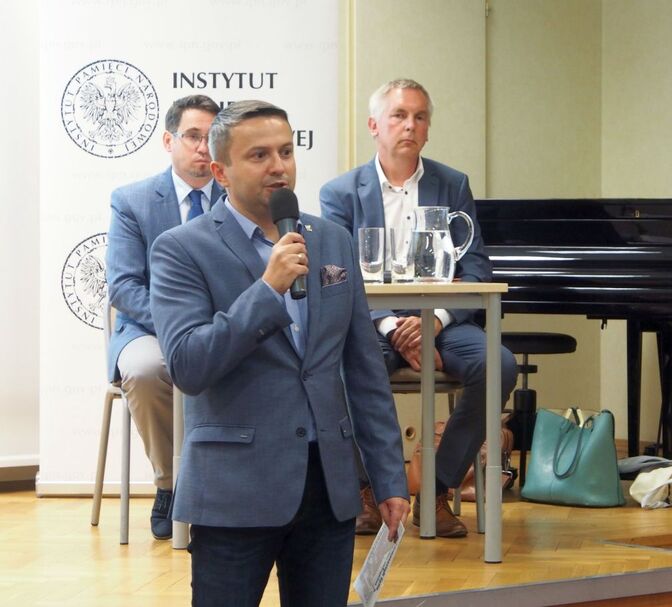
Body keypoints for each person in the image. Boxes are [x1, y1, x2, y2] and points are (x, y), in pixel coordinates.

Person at [148, 100, 409, 606]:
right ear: (220, 172)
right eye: (259, 155)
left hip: (327, 486)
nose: (278, 167)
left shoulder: (331, 240)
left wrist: (388, 477)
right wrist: (267, 291)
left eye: (286, 152)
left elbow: (363, 371)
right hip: (234, 490)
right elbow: (188, 366)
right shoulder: (181, 249)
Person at [320, 78, 518, 538]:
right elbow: (336, 276)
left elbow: (476, 269)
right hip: (371, 324)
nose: (410, 125)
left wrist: (435, 322)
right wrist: (392, 326)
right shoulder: (340, 193)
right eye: (399, 115)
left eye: (420, 116)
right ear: (374, 125)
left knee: (499, 364)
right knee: (339, 367)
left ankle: (436, 488)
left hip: (443, 321)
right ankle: (369, 490)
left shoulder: (453, 184)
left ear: (428, 129)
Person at [106, 95, 223, 539]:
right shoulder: (132, 201)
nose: (203, 147)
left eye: (212, 137)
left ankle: (234, 488)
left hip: (221, 325)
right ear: (169, 141)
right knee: (145, 369)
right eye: (193, 136)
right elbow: (124, 286)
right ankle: (170, 485)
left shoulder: (238, 197)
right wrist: (180, 325)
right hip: (149, 328)